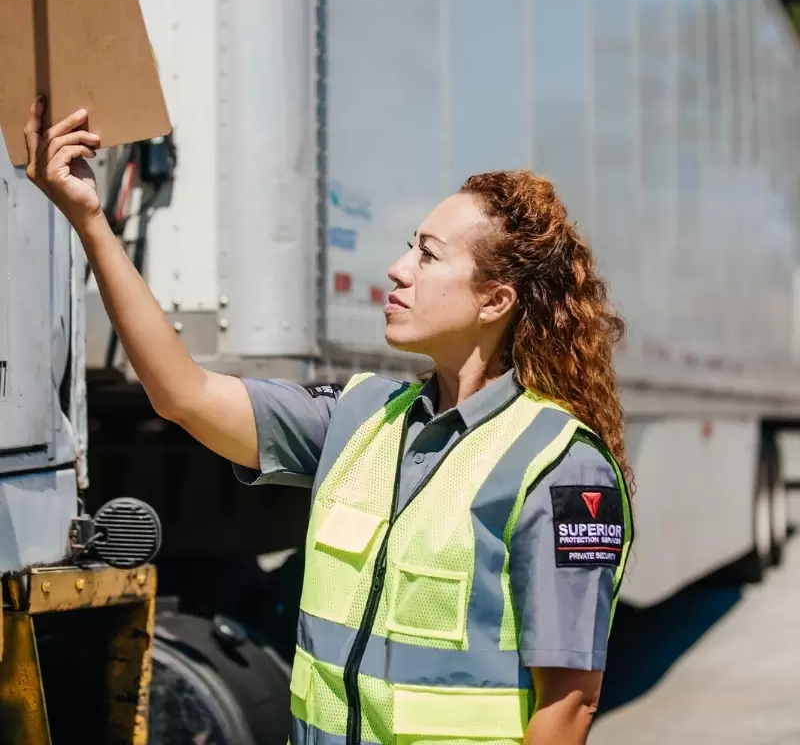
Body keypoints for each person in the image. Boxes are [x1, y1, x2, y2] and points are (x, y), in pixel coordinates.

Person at [24, 98, 633, 745]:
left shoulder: (561, 467)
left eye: (428, 256)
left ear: (496, 300)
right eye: (408, 249)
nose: (399, 270)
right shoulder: (362, 417)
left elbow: (567, 705)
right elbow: (185, 395)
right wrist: (90, 220)